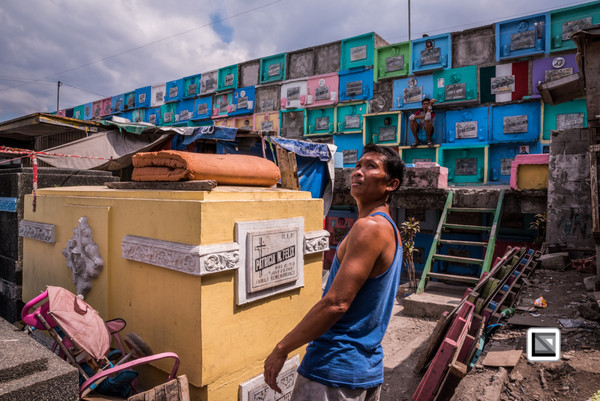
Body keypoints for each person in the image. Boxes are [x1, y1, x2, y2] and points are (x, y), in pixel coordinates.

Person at [264, 144, 405, 400]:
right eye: (358, 165)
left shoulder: (369, 227)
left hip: (333, 369)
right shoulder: (388, 228)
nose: (358, 172)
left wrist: (282, 348)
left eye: (371, 167)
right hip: (364, 367)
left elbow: (336, 303)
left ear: (391, 184)